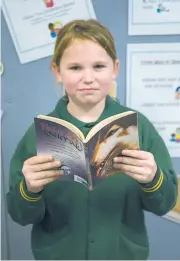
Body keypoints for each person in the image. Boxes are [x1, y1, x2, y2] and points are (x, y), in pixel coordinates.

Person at [6, 19, 178, 260]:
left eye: (99, 66)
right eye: (75, 67)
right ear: (57, 71)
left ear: (115, 68)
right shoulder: (38, 134)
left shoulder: (139, 128)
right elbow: (20, 214)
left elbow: (165, 204)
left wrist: (153, 178)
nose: (88, 78)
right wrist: (30, 189)